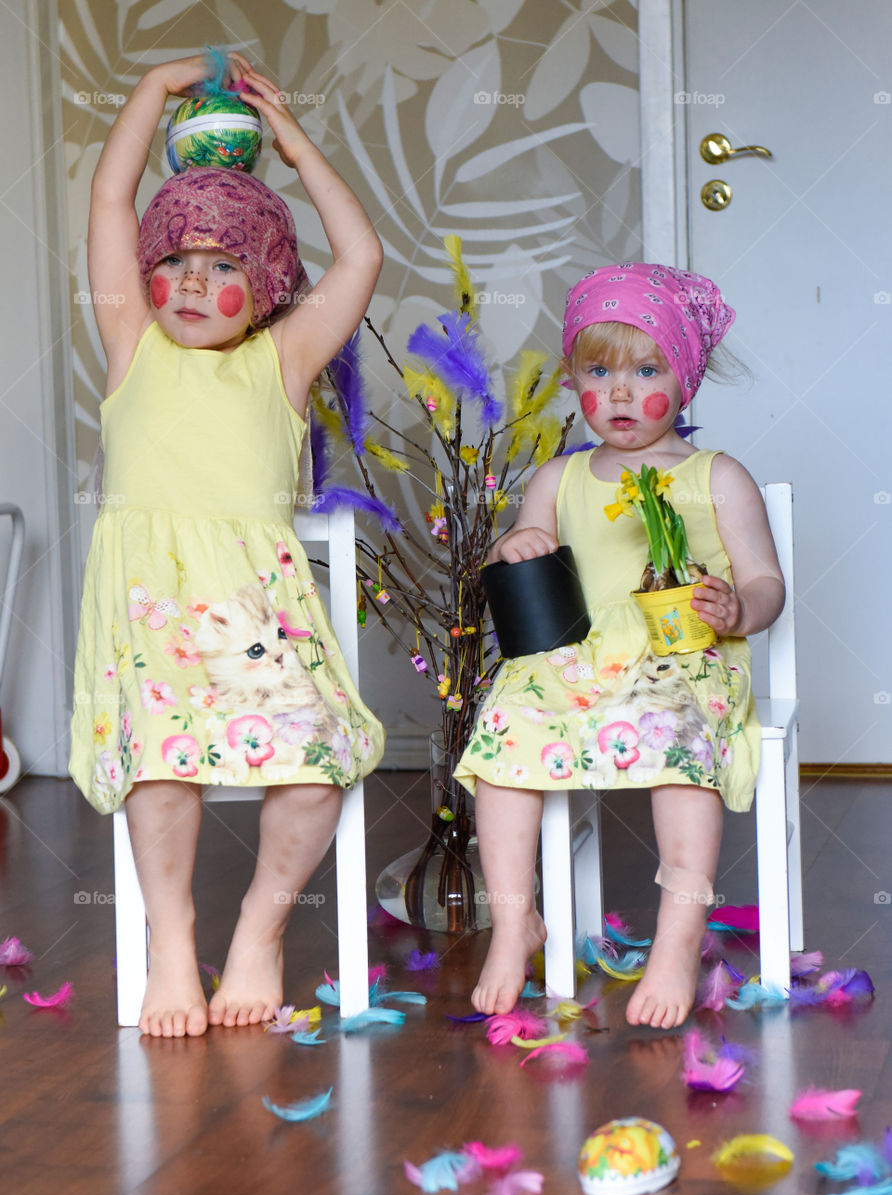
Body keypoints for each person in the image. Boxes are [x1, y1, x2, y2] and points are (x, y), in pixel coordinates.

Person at [69, 52, 385, 1038]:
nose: (192, 284)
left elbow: (362, 257)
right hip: (150, 612)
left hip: (255, 610)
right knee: (159, 768)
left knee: (315, 769)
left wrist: (291, 140)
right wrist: (151, 94)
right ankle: (174, 935)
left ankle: (260, 924)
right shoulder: (133, 344)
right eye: (175, 263)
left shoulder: (281, 361)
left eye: (223, 266)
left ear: (269, 282)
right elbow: (112, 197)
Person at [454, 262, 785, 1029]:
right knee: (504, 735)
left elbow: (767, 581)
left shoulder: (716, 476)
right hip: (577, 657)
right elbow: (522, 563)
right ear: (574, 381)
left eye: (647, 369)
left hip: (680, 655)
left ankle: (677, 936)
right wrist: (522, 543)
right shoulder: (560, 478)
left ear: (687, 378)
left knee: (677, 745)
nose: (623, 392)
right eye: (600, 371)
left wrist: (738, 608)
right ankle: (515, 925)